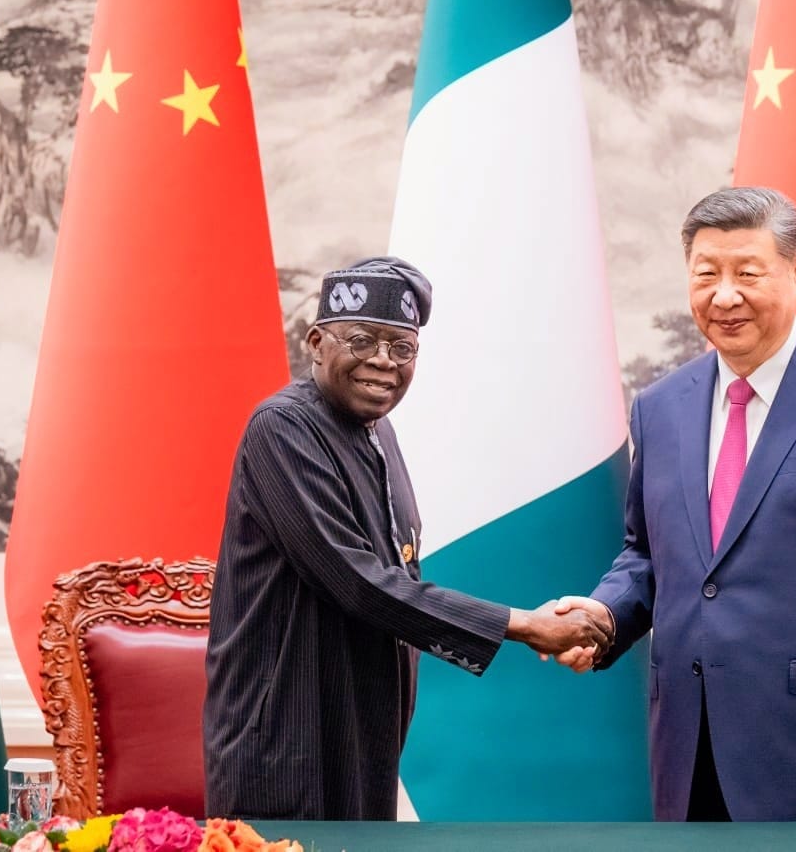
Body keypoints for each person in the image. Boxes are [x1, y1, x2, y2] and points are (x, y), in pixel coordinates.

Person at [554, 187, 796, 821]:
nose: (724, 296)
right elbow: (648, 555)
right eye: (706, 274)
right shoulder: (659, 408)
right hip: (689, 749)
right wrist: (603, 614)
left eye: (747, 273)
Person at [203, 257, 612, 821]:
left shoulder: (378, 430)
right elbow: (360, 583)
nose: (383, 361)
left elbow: (400, 570)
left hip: (366, 725)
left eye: (403, 348)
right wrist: (523, 624)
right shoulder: (283, 427)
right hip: (286, 732)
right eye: (362, 340)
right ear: (316, 342)